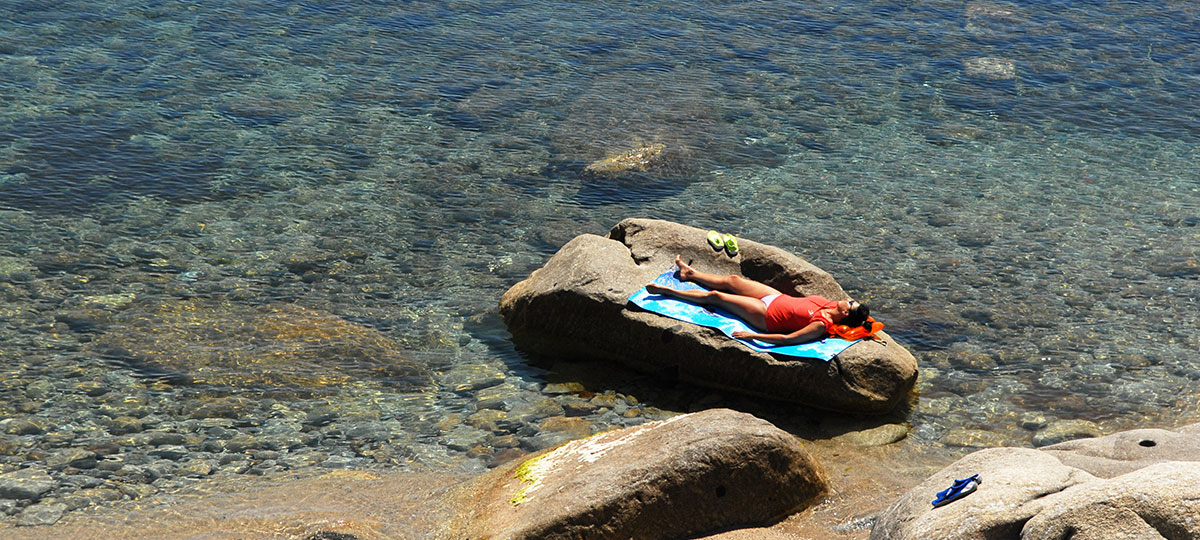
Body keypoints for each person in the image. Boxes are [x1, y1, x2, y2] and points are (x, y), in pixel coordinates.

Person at [645, 255, 870, 345]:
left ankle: (668, 292)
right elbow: (866, 321)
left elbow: (787, 339)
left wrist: (754, 335)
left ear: (846, 313)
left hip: (766, 316)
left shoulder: (821, 325)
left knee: (718, 297)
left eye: (851, 304)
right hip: (776, 297)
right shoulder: (832, 305)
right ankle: (690, 274)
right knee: (733, 280)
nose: (849, 300)